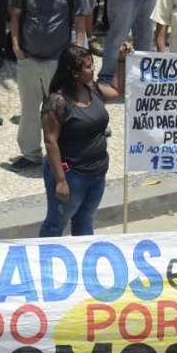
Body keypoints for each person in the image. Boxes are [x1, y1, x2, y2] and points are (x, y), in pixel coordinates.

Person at [10, 0, 89, 169]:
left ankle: (63, 154)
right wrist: (16, 47)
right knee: (29, 107)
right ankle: (31, 154)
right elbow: (15, 15)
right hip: (29, 58)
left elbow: (80, 18)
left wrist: (79, 53)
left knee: (61, 108)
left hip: (58, 59)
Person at [39, 43, 133, 236]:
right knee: (55, 225)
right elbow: (50, 142)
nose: (93, 69)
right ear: (74, 72)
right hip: (72, 176)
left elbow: (116, 91)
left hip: (97, 173)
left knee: (85, 222)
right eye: (89, 66)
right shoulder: (57, 102)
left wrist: (121, 59)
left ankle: (83, 265)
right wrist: (61, 181)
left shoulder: (92, 88)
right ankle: (45, 263)